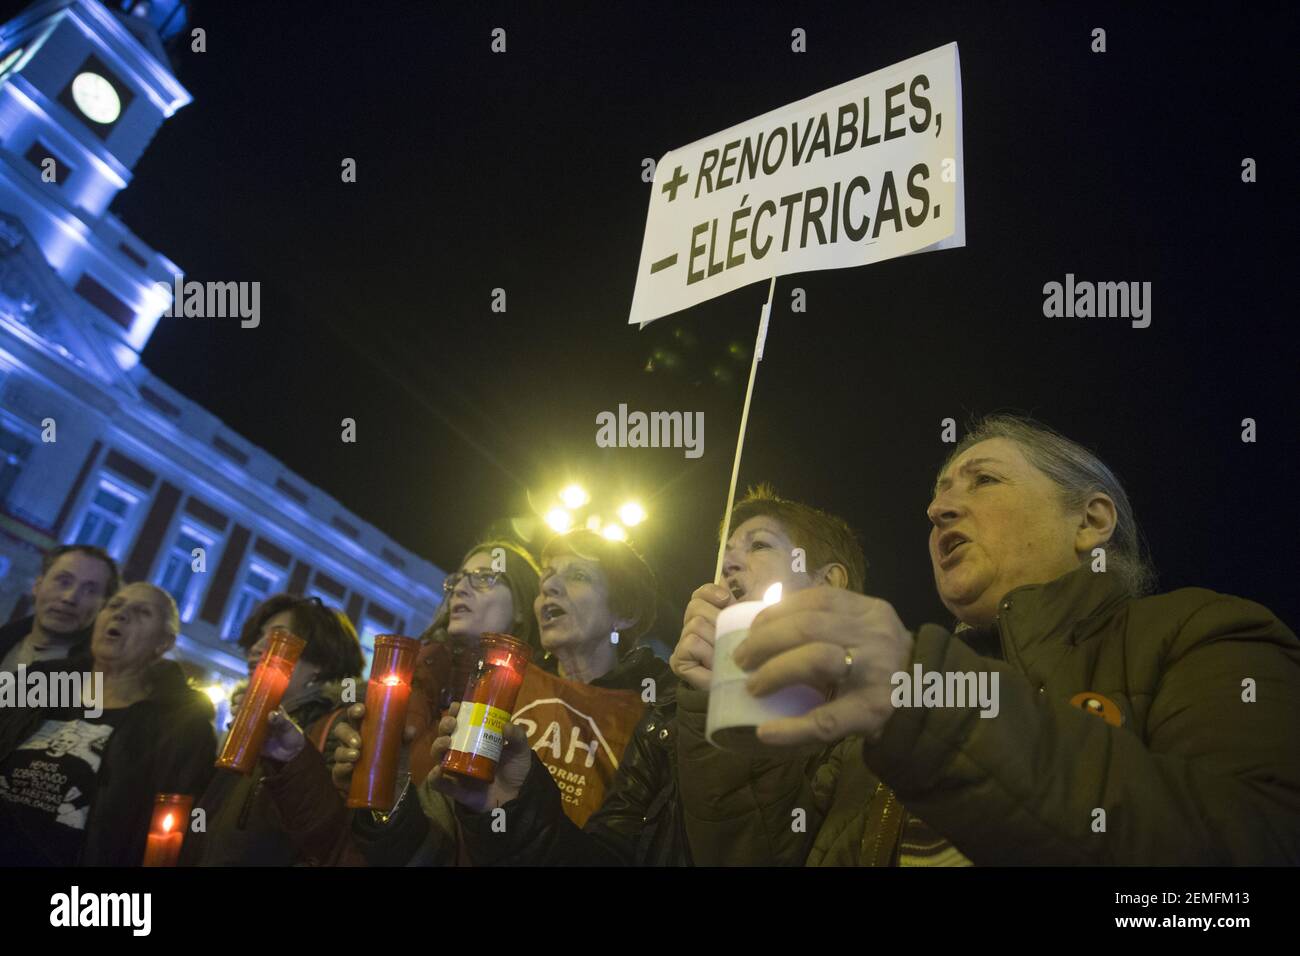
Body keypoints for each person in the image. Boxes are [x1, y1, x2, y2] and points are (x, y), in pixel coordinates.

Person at [674, 414, 1300, 865]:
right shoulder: (882, 712)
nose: (939, 509)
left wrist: (932, 705)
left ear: (1090, 521)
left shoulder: (1205, 633)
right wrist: (724, 706)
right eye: (939, 494)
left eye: (983, 482)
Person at [427, 528, 675, 864]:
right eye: (546, 577)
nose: (548, 587)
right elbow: (438, 832)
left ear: (624, 613)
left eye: (577, 575)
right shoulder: (501, 682)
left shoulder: (656, 715)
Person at [327, 539, 542, 865]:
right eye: (456, 580)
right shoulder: (403, 683)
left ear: (524, 605)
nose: (461, 589)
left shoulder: (536, 710)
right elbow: (326, 838)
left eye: (485, 577)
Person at [0, 582, 215, 865]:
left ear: (163, 643)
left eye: (142, 612)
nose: (121, 615)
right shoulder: (38, 682)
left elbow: (178, 826)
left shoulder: (181, 726)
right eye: (114, 606)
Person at [184, 594, 365, 866]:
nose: (256, 648)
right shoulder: (243, 724)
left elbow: (328, 833)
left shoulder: (336, 729)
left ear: (319, 663)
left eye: (277, 639)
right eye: (258, 637)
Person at [0, 544, 119, 672]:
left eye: (89, 590)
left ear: (103, 606)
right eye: (64, 582)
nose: (69, 598)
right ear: (38, 586)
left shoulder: (97, 680)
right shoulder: (5, 638)